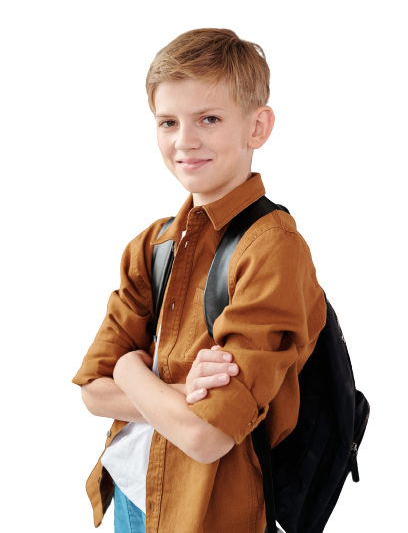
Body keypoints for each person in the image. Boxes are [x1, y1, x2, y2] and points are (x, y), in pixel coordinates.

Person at [71, 27, 327, 533]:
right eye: (168, 122)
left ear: (258, 127)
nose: (184, 141)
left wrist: (129, 367)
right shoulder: (152, 244)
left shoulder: (273, 247)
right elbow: (92, 393)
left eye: (209, 119)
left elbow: (206, 437)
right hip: (131, 495)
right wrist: (178, 388)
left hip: (206, 513)